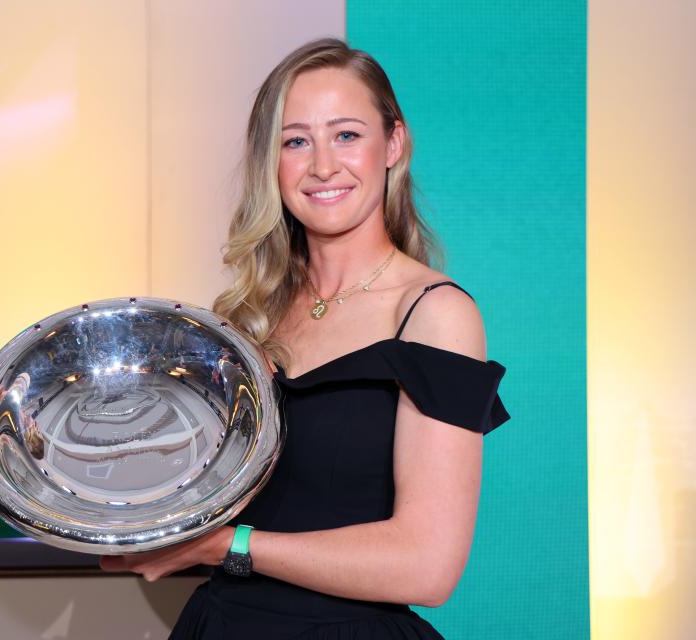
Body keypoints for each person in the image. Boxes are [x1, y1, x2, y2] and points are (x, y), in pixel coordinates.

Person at [99, 37, 509, 639]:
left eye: (347, 135)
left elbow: (427, 567)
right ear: (272, 161)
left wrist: (224, 548)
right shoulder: (248, 315)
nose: (322, 166)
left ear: (394, 144)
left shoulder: (433, 314)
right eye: (296, 141)